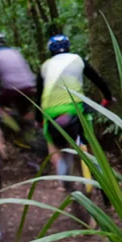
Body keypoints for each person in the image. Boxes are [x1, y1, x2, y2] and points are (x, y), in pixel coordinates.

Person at [38, 34, 113, 173]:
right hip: (75, 109)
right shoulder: (77, 60)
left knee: (52, 144)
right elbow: (98, 80)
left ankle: (62, 172)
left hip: (50, 111)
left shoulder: (45, 66)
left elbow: (39, 95)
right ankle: (99, 172)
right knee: (89, 141)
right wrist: (107, 98)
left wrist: (39, 119)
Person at [0, 32, 39, 130]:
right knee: (25, 109)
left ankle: (15, 130)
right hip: (29, 85)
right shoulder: (15, 51)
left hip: (11, 88)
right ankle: (32, 128)